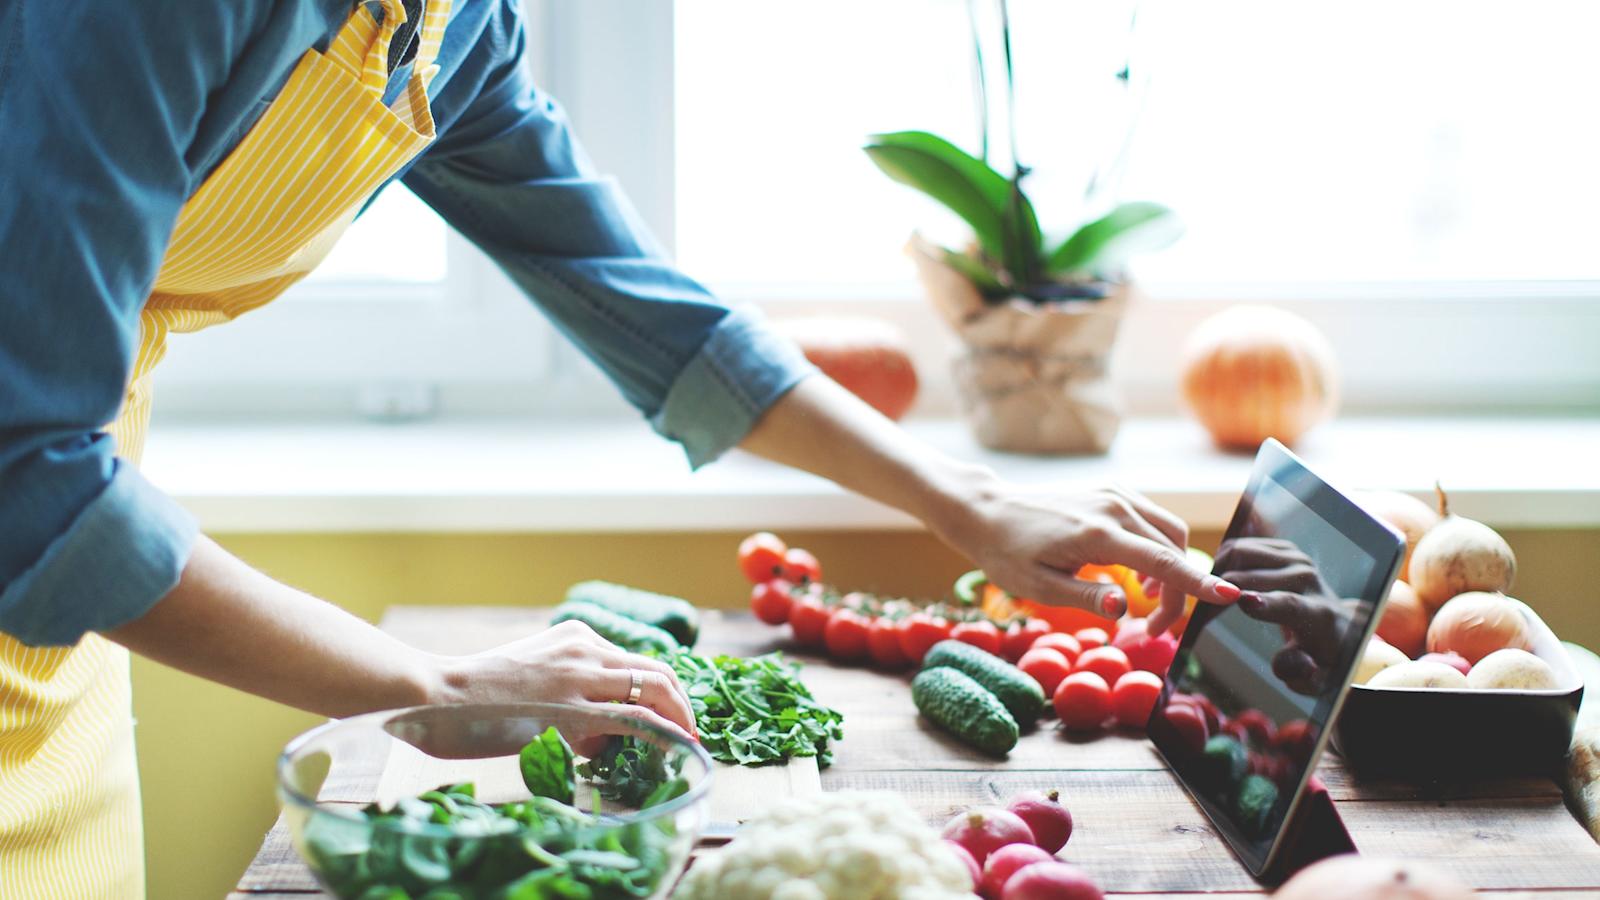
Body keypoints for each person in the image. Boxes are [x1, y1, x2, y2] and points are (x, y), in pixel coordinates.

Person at [0, 1, 1239, 895]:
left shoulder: (450, 24)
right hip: (52, 513)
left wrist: (967, 499)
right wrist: (427, 689)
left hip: (66, 613)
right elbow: (27, 463)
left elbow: (635, 299)